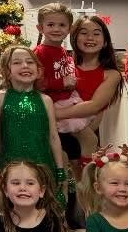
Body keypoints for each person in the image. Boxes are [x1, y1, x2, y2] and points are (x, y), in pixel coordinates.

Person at [0, 45, 65, 192]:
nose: (25, 66)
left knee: (44, 205)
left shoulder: (45, 100)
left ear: (38, 70)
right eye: (17, 62)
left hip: (43, 165)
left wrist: (60, 169)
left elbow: (54, 137)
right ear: (7, 71)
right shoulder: (0, 98)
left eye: (30, 62)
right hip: (11, 166)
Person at [52, 15, 122, 146]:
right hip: (54, 135)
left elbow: (93, 106)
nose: (90, 38)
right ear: (74, 38)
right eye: (84, 33)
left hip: (85, 138)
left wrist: (52, 114)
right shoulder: (64, 66)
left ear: (105, 41)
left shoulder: (111, 75)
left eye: (96, 34)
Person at [33, 2, 87, 137]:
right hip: (53, 104)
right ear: (40, 28)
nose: (56, 29)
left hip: (66, 99)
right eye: (50, 25)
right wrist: (61, 83)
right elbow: (36, 83)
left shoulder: (61, 50)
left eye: (62, 25)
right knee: (84, 137)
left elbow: (64, 73)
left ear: (69, 29)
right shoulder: (39, 53)